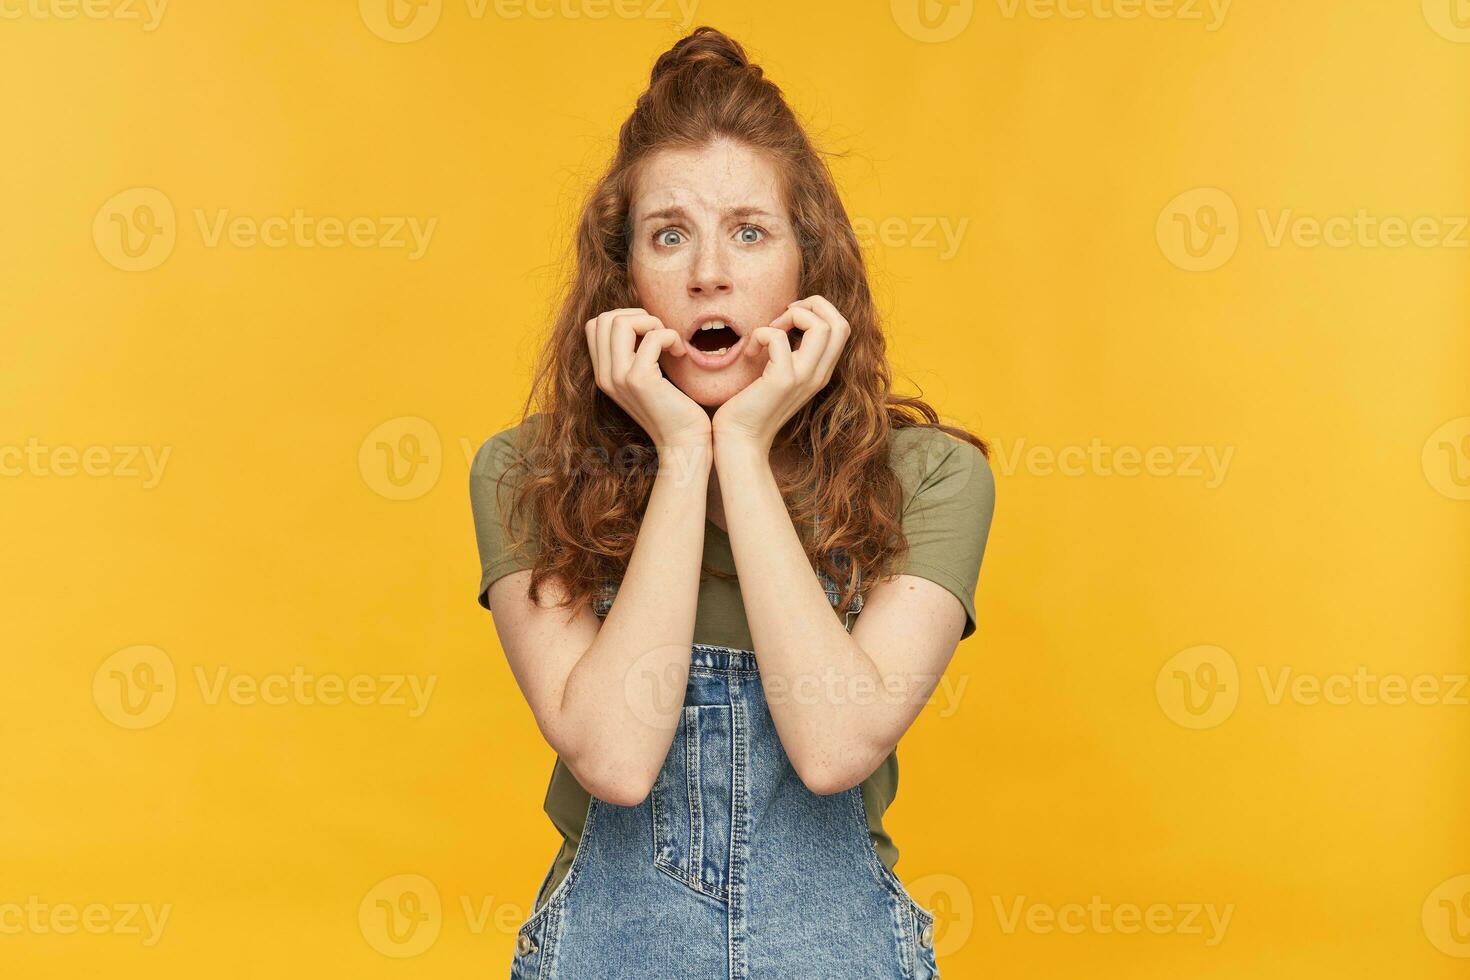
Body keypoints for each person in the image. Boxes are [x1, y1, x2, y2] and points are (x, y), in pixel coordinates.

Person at [470, 25, 995, 980]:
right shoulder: (525, 472)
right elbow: (617, 763)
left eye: (749, 231)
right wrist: (682, 450)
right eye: (669, 235)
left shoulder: (931, 478)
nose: (708, 272)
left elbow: (835, 745)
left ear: (809, 266)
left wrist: (742, 446)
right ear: (622, 276)